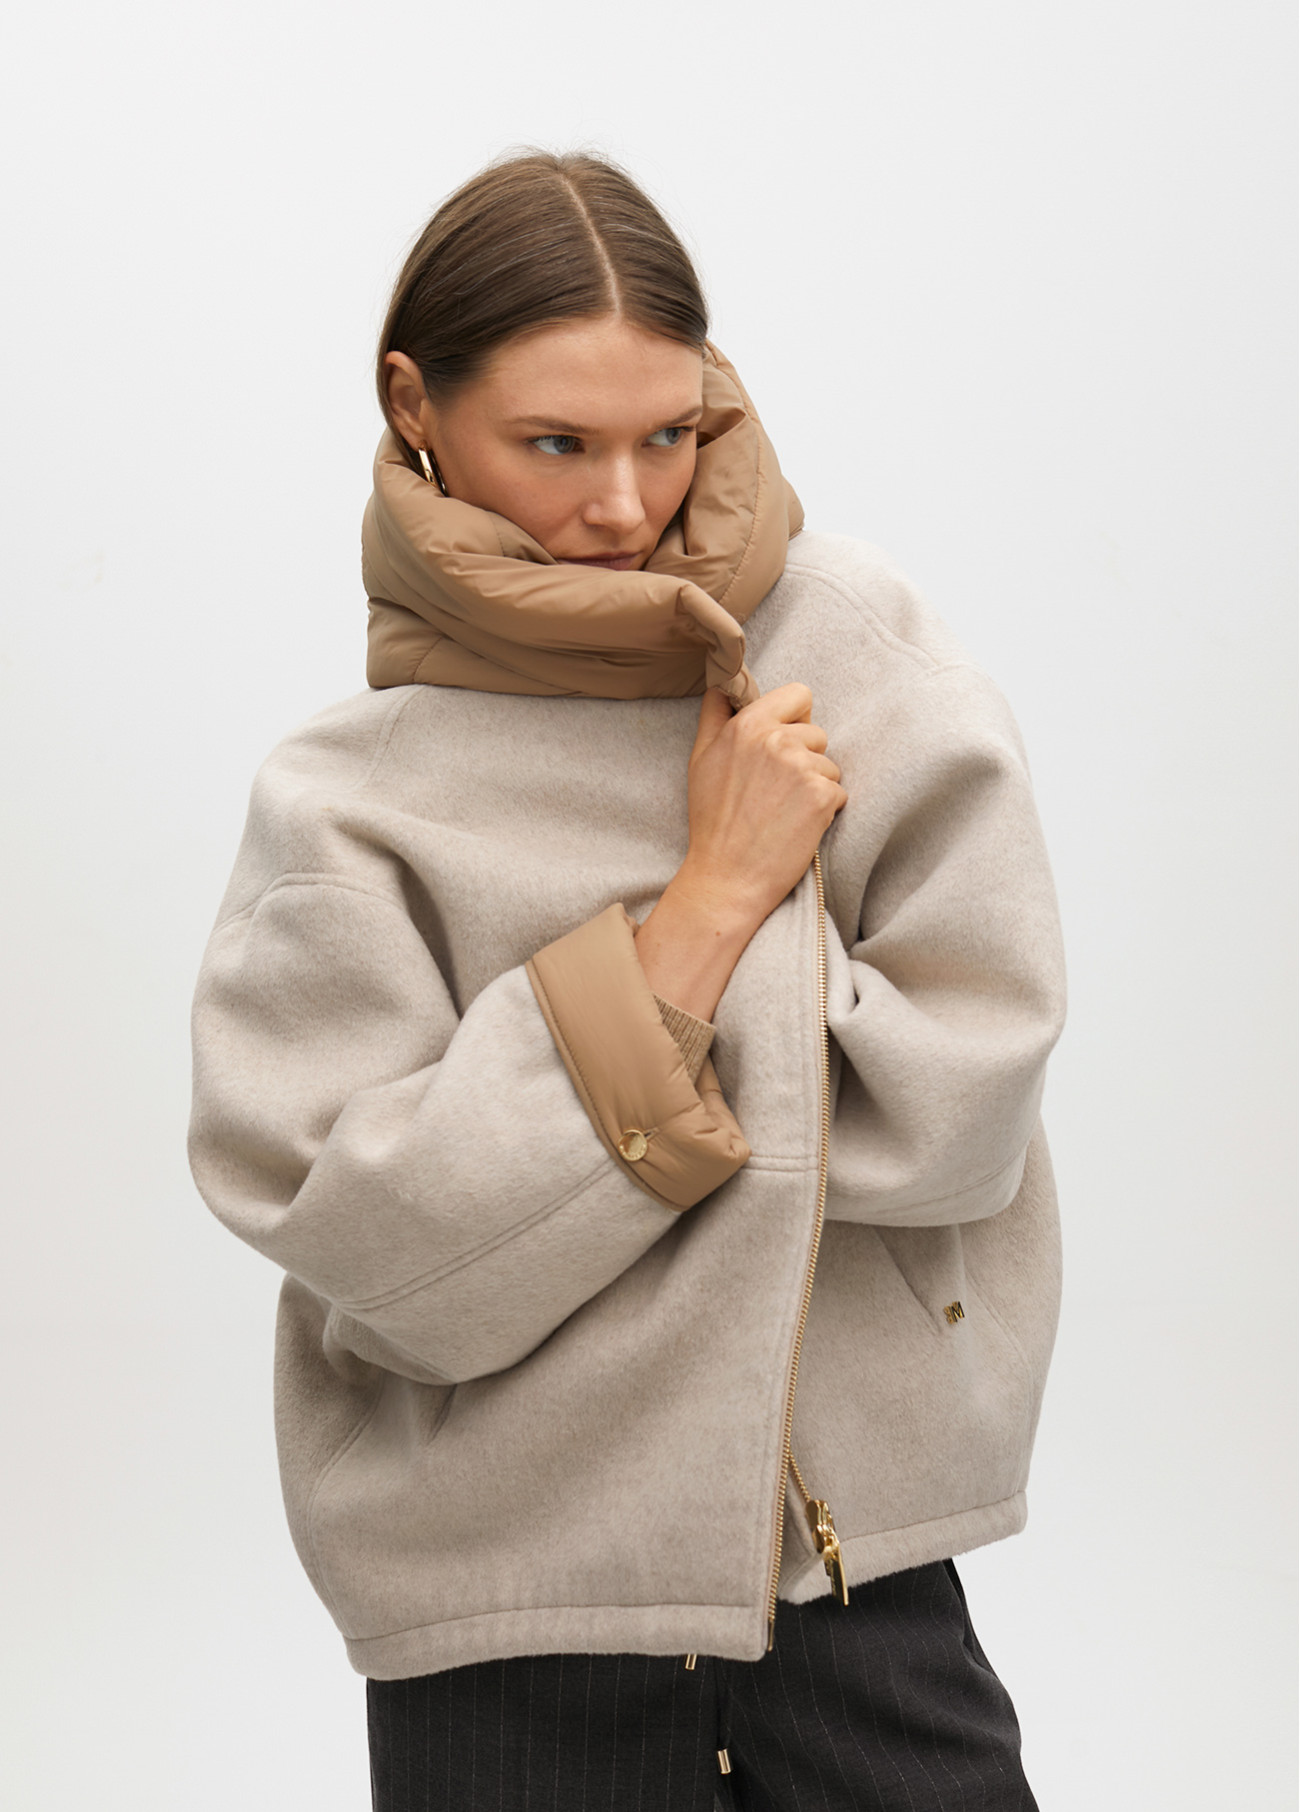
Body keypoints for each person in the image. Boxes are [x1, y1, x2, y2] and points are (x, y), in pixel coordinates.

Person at [189, 150, 1066, 1811]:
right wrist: (711, 910)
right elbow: (398, 1268)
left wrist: (573, 1123)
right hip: (506, 1621)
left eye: (668, 434)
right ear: (415, 406)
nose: (623, 506)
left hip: (853, 1585)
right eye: (556, 445)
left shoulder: (861, 659)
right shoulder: (347, 803)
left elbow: (959, 1116)